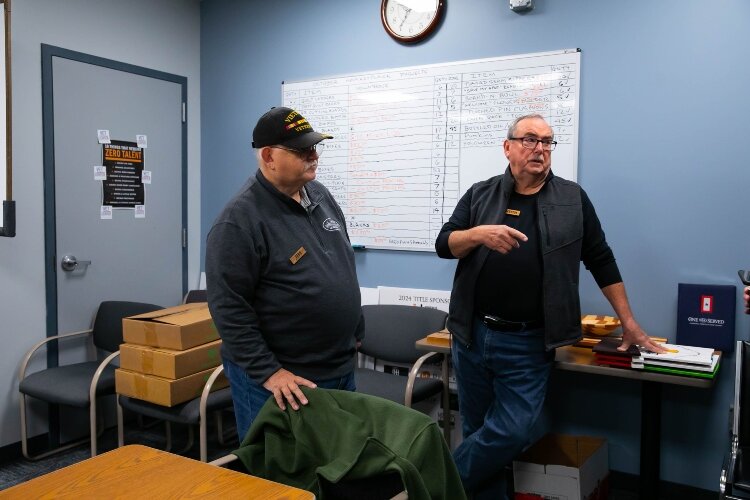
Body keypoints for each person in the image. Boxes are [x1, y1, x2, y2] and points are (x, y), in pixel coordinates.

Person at [435, 114, 666, 499]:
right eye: (530, 139)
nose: (540, 148)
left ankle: (434, 482)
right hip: (473, 335)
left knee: (511, 430)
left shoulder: (572, 199)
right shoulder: (480, 194)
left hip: (528, 341)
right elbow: (445, 244)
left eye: (547, 141)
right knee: (478, 433)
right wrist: (477, 234)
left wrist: (630, 322)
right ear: (507, 147)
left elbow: (601, 259)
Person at [206, 106, 364, 441]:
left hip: (337, 366)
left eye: (315, 147)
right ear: (268, 156)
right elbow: (229, 309)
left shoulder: (319, 194)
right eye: (302, 150)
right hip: (282, 382)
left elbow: (342, 262)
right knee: (278, 479)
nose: (313, 156)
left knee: (338, 464)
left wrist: (355, 326)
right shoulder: (238, 221)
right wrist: (270, 373)